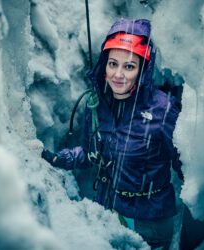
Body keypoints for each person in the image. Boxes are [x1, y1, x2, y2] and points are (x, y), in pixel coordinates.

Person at [42, 18, 183, 249]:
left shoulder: (163, 110)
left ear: (143, 69)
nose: (118, 74)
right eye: (113, 63)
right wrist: (56, 158)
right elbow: (90, 154)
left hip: (152, 222)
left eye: (129, 66)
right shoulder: (96, 104)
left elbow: (184, 166)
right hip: (109, 213)